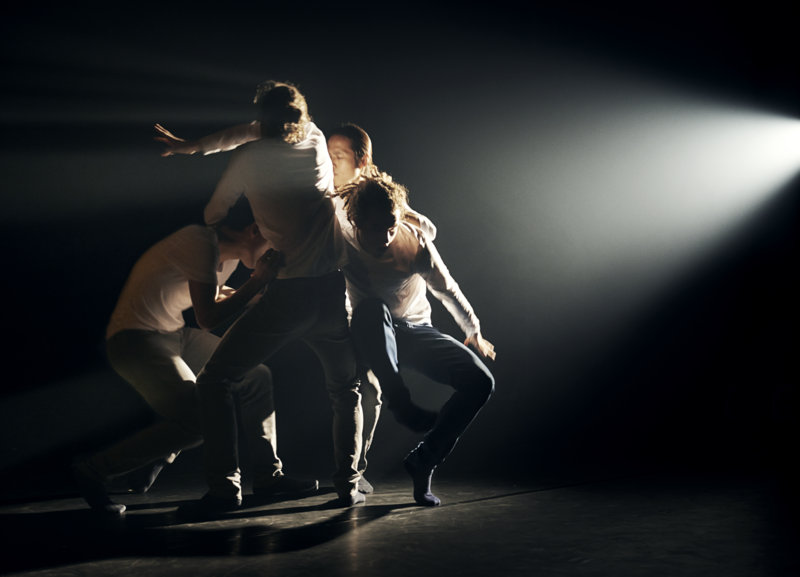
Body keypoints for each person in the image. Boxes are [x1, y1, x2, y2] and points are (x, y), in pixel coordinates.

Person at [179, 80, 364, 518]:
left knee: (216, 380)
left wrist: (192, 149)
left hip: (287, 293)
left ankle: (227, 488)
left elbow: (213, 213)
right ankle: (348, 485)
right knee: (345, 389)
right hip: (333, 293)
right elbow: (256, 129)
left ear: (261, 120)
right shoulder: (317, 139)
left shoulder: (249, 159)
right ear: (302, 117)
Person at [72, 196, 317, 516]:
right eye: (275, 242)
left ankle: (268, 477)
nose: (276, 254)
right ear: (255, 230)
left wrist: (260, 293)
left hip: (173, 334)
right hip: (134, 340)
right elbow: (208, 317)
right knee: (201, 419)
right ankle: (93, 471)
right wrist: (257, 282)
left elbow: (215, 294)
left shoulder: (227, 259)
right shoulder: (199, 241)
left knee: (256, 376)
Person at [337, 173, 495, 507]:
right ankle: (399, 398)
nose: (386, 236)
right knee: (371, 310)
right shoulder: (339, 236)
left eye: (391, 226)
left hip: (416, 332)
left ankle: (424, 460)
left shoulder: (413, 241)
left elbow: (446, 288)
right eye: (377, 228)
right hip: (370, 334)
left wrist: (474, 332)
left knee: (480, 381)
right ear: (356, 221)